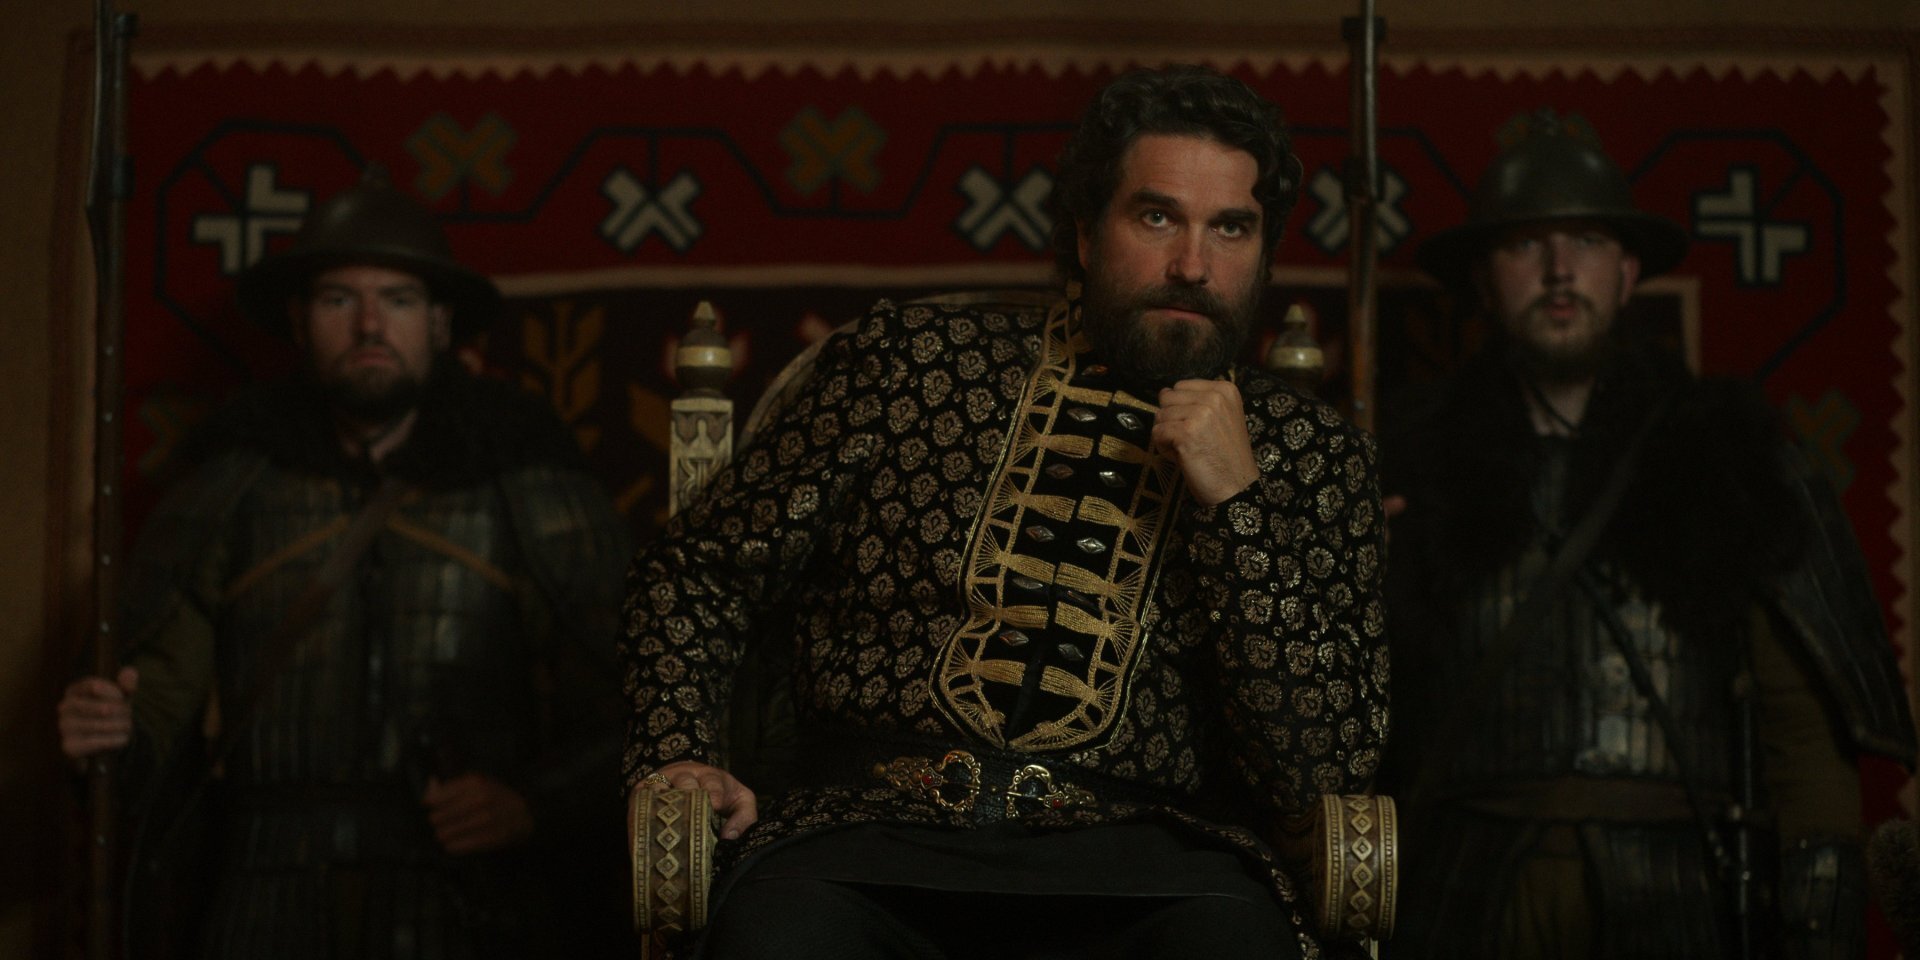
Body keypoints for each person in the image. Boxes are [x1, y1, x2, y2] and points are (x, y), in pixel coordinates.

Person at [620, 64, 1388, 960]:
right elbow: (693, 571)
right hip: (866, 840)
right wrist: (678, 750)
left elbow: (1323, 767)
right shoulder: (910, 362)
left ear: (1264, 251)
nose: (1192, 265)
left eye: (1231, 227)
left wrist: (1236, 511)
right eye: (1156, 218)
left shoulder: (1309, 453)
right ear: (1086, 233)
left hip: (1152, 868)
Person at [1378, 110, 1916, 958]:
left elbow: (1805, 730)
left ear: (1628, 273)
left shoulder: (1726, 453)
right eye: (1527, 244)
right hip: (1460, 895)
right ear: (1483, 277)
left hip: (1680, 898)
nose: (1560, 269)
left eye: (1587, 242)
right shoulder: (1407, 460)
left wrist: (1819, 925)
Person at [55, 174, 632, 959]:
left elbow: (638, 703)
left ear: (439, 322)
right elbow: (157, 690)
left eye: (397, 299)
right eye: (338, 299)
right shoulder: (229, 489)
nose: (368, 324)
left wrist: (534, 804)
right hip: (264, 898)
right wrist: (115, 734)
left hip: (470, 900)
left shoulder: (526, 483)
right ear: (298, 320)